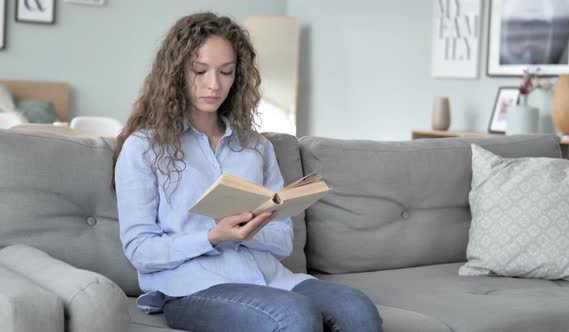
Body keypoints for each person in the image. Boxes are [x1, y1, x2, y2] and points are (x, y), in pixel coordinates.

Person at [112, 12, 383, 332]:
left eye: (226, 72)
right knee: (293, 316)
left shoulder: (255, 147)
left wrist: (251, 228)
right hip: (190, 286)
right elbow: (140, 251)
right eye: (199, 71)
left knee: (359, 309)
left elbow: (283, 242)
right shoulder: (143, 147)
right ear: (175, 73)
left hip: (273, 279)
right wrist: (213, 237)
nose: (214, 84)